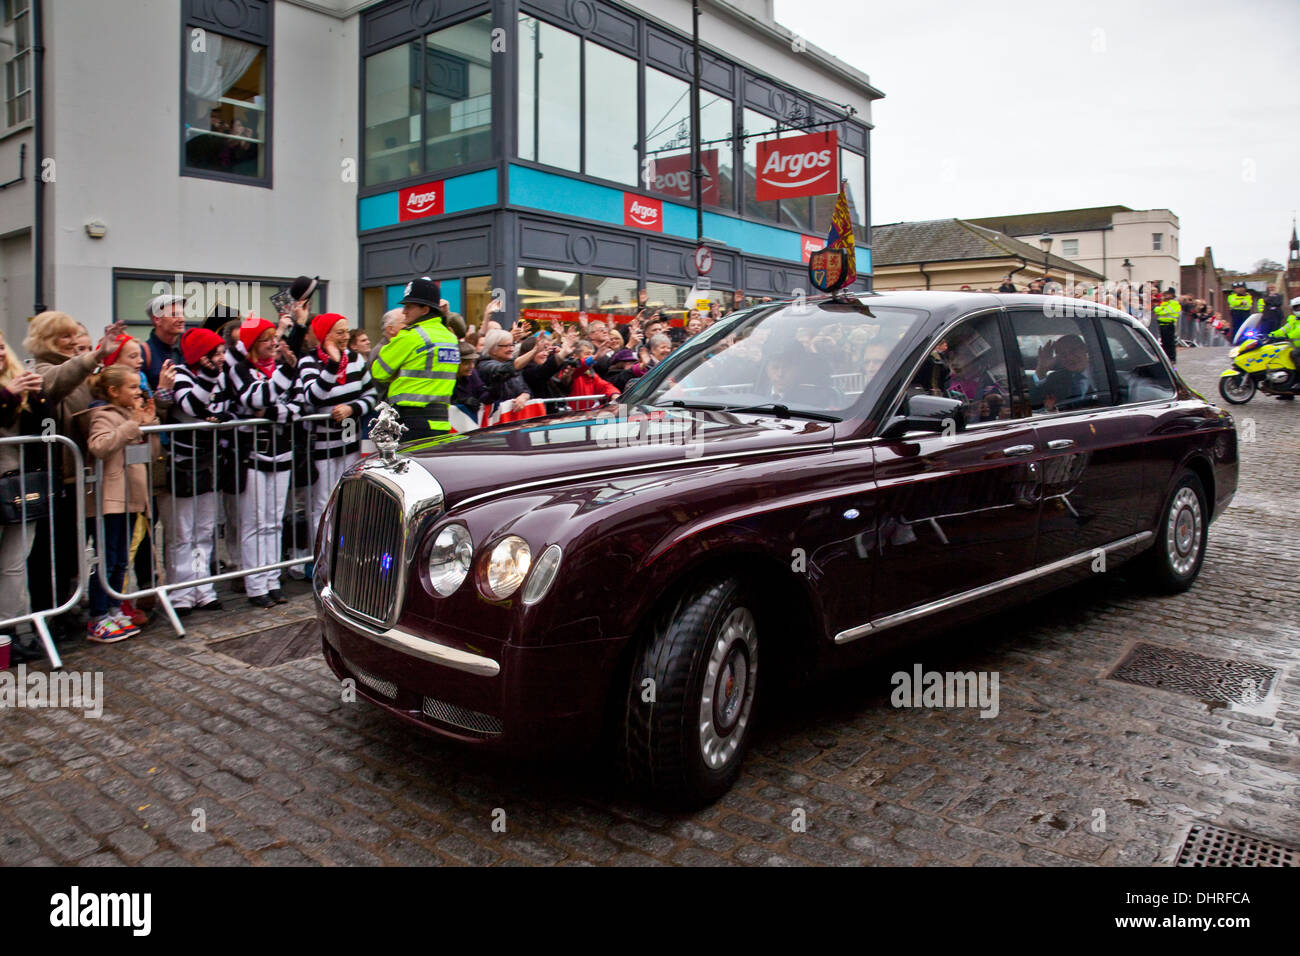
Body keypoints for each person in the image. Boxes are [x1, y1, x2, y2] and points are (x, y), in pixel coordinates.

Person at [225, 315, 300, 608]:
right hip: (254, 454)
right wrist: (274, 402)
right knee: (254, 520)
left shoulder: (282, 369)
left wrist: (272, 412)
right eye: (267, 339)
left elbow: (298, 404)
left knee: (274, 520)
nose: (273, 344)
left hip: (282, 451)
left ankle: (272, 579)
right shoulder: (240, 370)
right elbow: (257, 398)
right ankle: (256, 584)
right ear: (253, 343)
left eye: (274, 338)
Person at [77, 365, 153, 643]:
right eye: (132, 387)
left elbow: (148, 451)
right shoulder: (103, 415)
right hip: (110, 500)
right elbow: (99, 446)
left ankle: (113, 608)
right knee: (106, 559)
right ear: (113, 391)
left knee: (122, 560)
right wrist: (132, 425)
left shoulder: (128, 416)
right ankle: (98, 617)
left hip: (131, 497)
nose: (138, 392)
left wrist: (148, 422)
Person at [296, 313, 376, 552]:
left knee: (349, 501)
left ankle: (346, 553)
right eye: (339, 332)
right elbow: (313, 397)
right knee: (323, 503)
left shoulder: (356, 359)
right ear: (325, 335)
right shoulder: (308, 362)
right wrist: (332, 364)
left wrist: (352, 408)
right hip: (322, 445)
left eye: (346, 332)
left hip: (350, 442)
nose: (345, 337)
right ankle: (321, 556)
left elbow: (371, 395)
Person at [167, 328, 228, 616]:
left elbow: (224, 406)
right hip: (183, 463)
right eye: (216, 352)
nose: (221, 358)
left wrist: (212, 411)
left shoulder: (219, 375)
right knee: (183, 532)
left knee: (205, 530)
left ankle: (203, 587)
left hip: (210, 460)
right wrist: (207, 383)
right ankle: (181, 593)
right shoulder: (181, 373)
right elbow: (192, 406)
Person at [0, 331, 51, 650]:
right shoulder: (10, 388)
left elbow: (43, 430)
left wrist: (37, 397)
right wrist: (8, 395)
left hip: (17, 484)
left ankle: (14, 632)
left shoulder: (18, 379)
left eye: (1, 345)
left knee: (15, 563)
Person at [370, 277, 459, 441]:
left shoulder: (411, 336)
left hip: (411, 422)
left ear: (425, 310)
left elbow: (378, 372)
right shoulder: (450, 338)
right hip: (441, 422)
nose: (404, 311)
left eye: (409, 307)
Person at [1027, 334, 1094, 411]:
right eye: (1063, 354)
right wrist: (1042, 369)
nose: (1069, 357)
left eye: (1073, 351)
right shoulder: (1056, 378)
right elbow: (1033, 404)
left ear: (1085, 349)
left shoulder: (1104, 371)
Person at [1153, 290, 1181, 364]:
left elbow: (1164, 311)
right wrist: (1159, 309)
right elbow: (1156, 310)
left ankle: (1172, 358)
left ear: (1172, 295)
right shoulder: (1164, 303)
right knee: (1164, 342)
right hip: (1162, 324)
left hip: (1169, 324)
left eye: (1166, 295)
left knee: (1170, 342)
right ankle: (1166, 358)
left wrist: (1159, 309)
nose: (1164, 296)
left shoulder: (1174, 303)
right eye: (1164, 295)